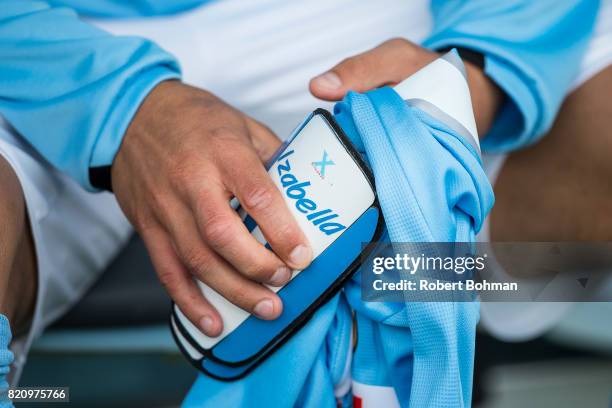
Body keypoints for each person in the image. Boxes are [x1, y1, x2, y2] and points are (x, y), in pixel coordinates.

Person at [0, 0, 602, 401]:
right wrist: (120, 105)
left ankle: (417, 303)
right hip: (44, 36)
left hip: (359, 19)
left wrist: (477, 68)